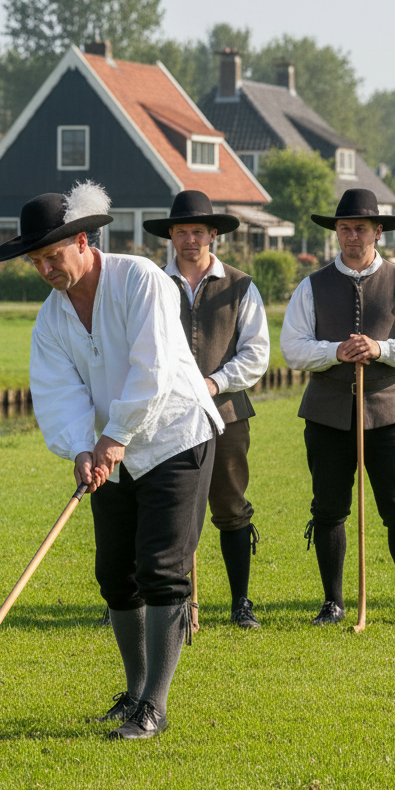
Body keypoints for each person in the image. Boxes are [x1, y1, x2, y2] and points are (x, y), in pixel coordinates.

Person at [0, 182, 223, 740]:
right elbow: (57, 393)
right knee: (115, 575)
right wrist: (79, 446)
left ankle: (155, 705)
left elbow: (154, 368)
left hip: (175, 435)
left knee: (162, 568)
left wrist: (114, 436)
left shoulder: (141, 279)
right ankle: (134, 691)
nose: (47, 268)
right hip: (109, 453)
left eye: (54, 255)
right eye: (37, 260)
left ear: (82, 241)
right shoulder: (50, 320)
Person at [281, 188, 395, 628]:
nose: (353, 236)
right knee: (328, 507)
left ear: (378, 232)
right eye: (345, 228)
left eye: (361, 228)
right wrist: (337, 352)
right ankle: (333, 603)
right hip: (327, 411)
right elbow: (293, 348)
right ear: (337, 232)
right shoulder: (311, 286)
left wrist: (380, 347)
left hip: (389, 410)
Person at [143, 190, 270, 629]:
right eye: (182, 232)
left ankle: (241, 603)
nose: (190, 239)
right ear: (171, 236)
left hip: (226, 413)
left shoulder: (240, 285)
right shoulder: (152, 286)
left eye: (198, 231)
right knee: (164, 507)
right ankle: (160, 602)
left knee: (230, 505)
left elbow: (256, 355)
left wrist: (213, 382)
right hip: (165, 415)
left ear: (213, 235)